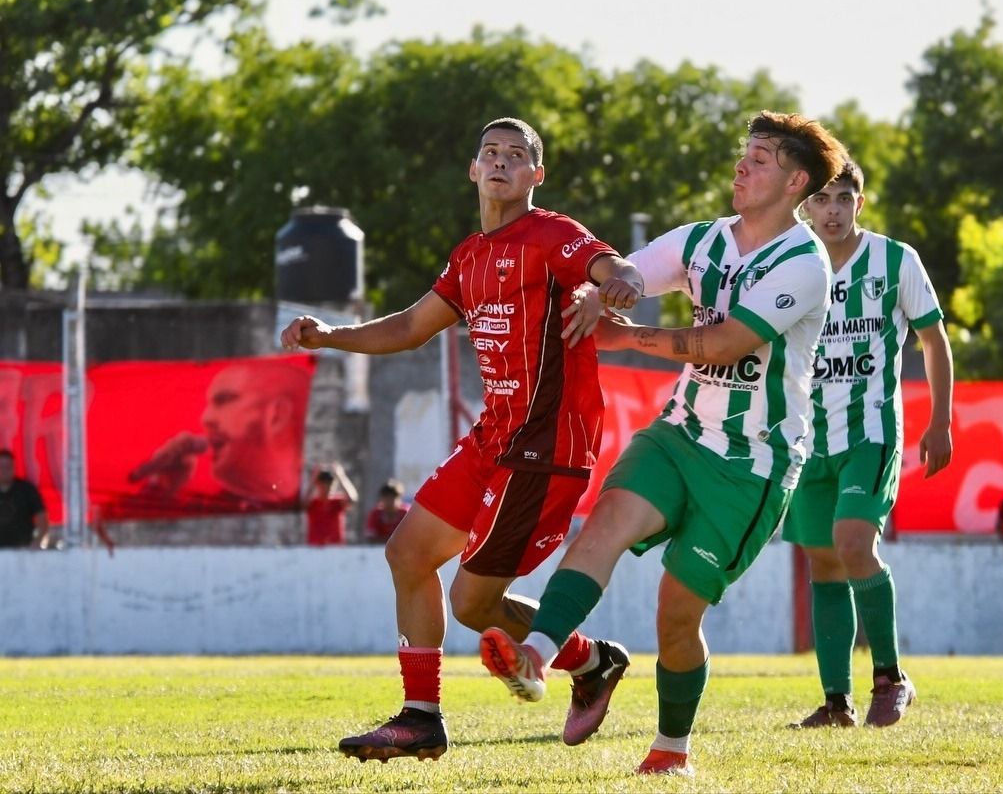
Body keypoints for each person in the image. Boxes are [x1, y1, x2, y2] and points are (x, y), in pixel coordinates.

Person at [478, 111, 847, 776]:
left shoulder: (804, 262)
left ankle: (672, 749)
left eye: (759, 159)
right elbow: (629, 274)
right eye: (743, 154)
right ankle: (536, 652)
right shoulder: (702, 240)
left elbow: (729, 341)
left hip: (752, 462)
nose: (741, 166)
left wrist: (625, 336)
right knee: (605, 523)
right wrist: (599, 292)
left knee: (676, 616)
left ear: (794, 181)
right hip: (678, 432)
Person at [280, 116, 645, 763]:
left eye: (516, 154)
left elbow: (609, 265)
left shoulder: (552, 233)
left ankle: (589, 659)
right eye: (489, 153)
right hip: (492, 437)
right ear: (474, 170)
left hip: (544, 445)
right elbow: (412, 326)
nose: (501, 162)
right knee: (407, 553)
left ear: (537, 174)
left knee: (473, 603)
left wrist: (615, 282)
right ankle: (421, 717)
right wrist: (330, 335)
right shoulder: (469, 256)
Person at [783, 160, 953, 731]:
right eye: (822, 199)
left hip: (871, 432)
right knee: (824, 563)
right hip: (807, 440)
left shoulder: (895, 260)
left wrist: (941, 420)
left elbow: (933, 339)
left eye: (842, 198)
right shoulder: (789, 264)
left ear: (861, 202)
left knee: (853, 544)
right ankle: (836, 703)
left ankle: (891, 678)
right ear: (805, 205)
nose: (831, 210)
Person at [125, 360, 311, 507]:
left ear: (277, 415)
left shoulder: (322, 506)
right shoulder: (202, 508)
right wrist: (162, 489)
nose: (205, 419)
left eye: (224, 400)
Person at [0, 448, 49, 549]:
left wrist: (38, 540)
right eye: (1, 467)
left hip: (23, 550)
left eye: (8, 467)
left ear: (14, 468)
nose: (4, 470)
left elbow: (42, 517)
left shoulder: (26, 490)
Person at [305, 463, 359, 546]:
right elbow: (302, 503)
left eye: (330, 484)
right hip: (314, 548)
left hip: (335, 549)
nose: (327, 487)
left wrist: (341, 477)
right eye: (323, 484)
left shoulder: (337, 502)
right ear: (318, 484)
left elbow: (353, 499)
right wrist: (313, 479)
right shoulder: (313, 503)